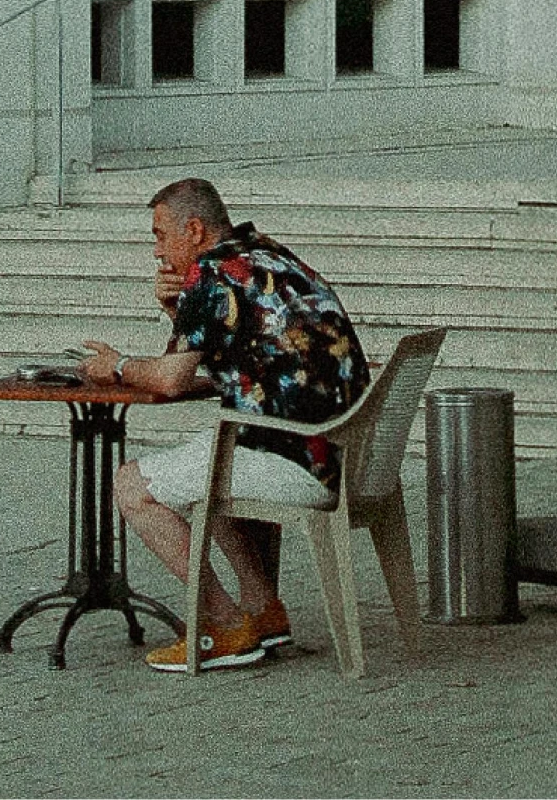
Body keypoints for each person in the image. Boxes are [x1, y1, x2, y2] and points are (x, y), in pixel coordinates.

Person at [82, 176, 370, 672]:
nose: (157, 250)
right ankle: (263, 610)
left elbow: (171, 381)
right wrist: (179, 312)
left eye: (159, 234)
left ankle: (224, 624)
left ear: (193, 230)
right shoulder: (266, 255)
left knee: (132, 486)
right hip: (343, 450)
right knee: (207, 462)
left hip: (300, 461)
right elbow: (245, 365)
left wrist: (120, 365)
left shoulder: (212, 276)